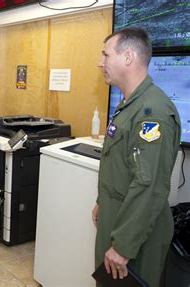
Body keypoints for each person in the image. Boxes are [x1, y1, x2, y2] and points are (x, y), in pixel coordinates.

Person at [93, 27, 181, 287]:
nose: (100, 62)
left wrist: (123, 246)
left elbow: (149, 185)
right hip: (117, 217)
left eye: (106, 55)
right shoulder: (129, 104)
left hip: (135, 234)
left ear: (128, 57)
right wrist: (102, 201)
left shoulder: (152, 113)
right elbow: (120, 163)